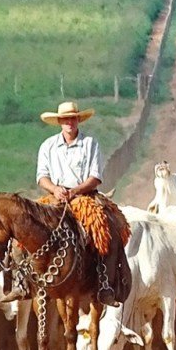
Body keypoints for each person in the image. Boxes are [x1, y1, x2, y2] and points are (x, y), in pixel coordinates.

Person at [36, 101, 130, 306]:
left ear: (78, 119)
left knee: (104, 228)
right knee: (28, 226)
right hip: (56, 197)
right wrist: (55, 189)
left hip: (84, 196)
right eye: (65, 119)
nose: (69, 122)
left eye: (72, 118)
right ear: (59, 122)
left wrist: (75, 191)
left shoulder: (90, 143)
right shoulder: (48, 146)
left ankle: (105, 282)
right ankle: (25, 280)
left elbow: (95, 177)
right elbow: (42, 176)